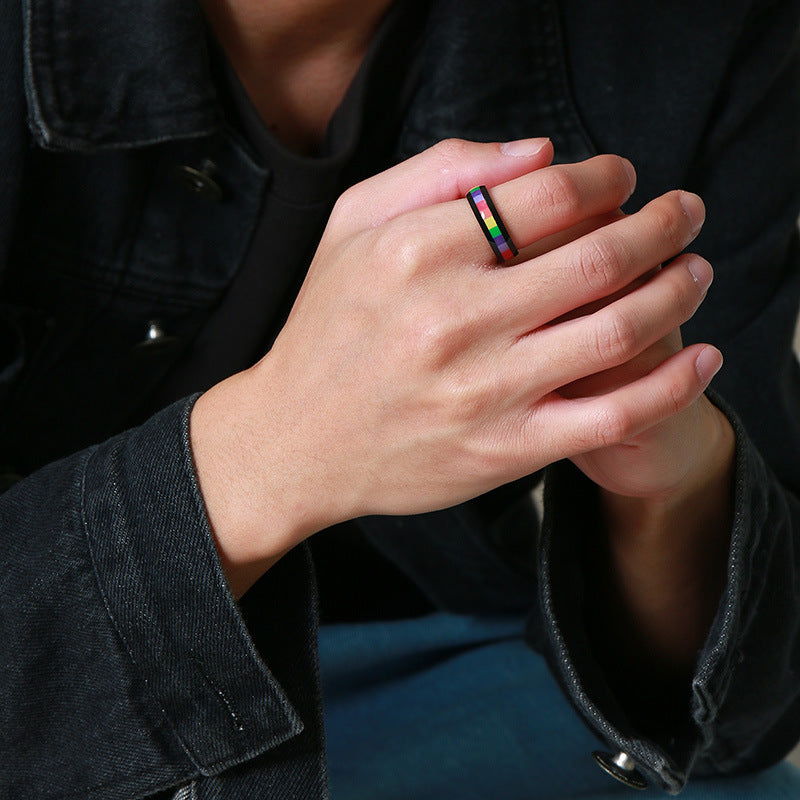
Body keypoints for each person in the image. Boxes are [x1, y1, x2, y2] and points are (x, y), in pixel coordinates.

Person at [1, 0, 799, 798]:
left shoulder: (707, 35)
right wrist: (273, 453)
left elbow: (737, 729)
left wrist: (676, 487)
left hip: (411, 671)